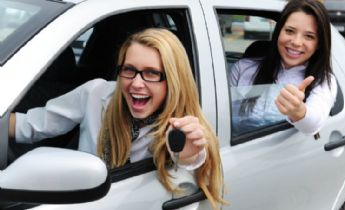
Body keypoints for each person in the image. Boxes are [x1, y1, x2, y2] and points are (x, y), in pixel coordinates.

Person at [8, 28, 225, 208]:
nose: (136, 83)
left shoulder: (183, 131)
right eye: (129, 70)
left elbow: (186, 195)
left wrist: (186, 158)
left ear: (173, 80)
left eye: (151, 73)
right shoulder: (96, 94)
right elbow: (27, 125)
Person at [230, 0, 337, 136]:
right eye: (290, 31)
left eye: (309, 36)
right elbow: (221, 115)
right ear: (278, 31)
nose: (296, 42)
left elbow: (313, 124)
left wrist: (298, 111)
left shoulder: (323, 81)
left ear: (319, 44)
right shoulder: (243, 68)